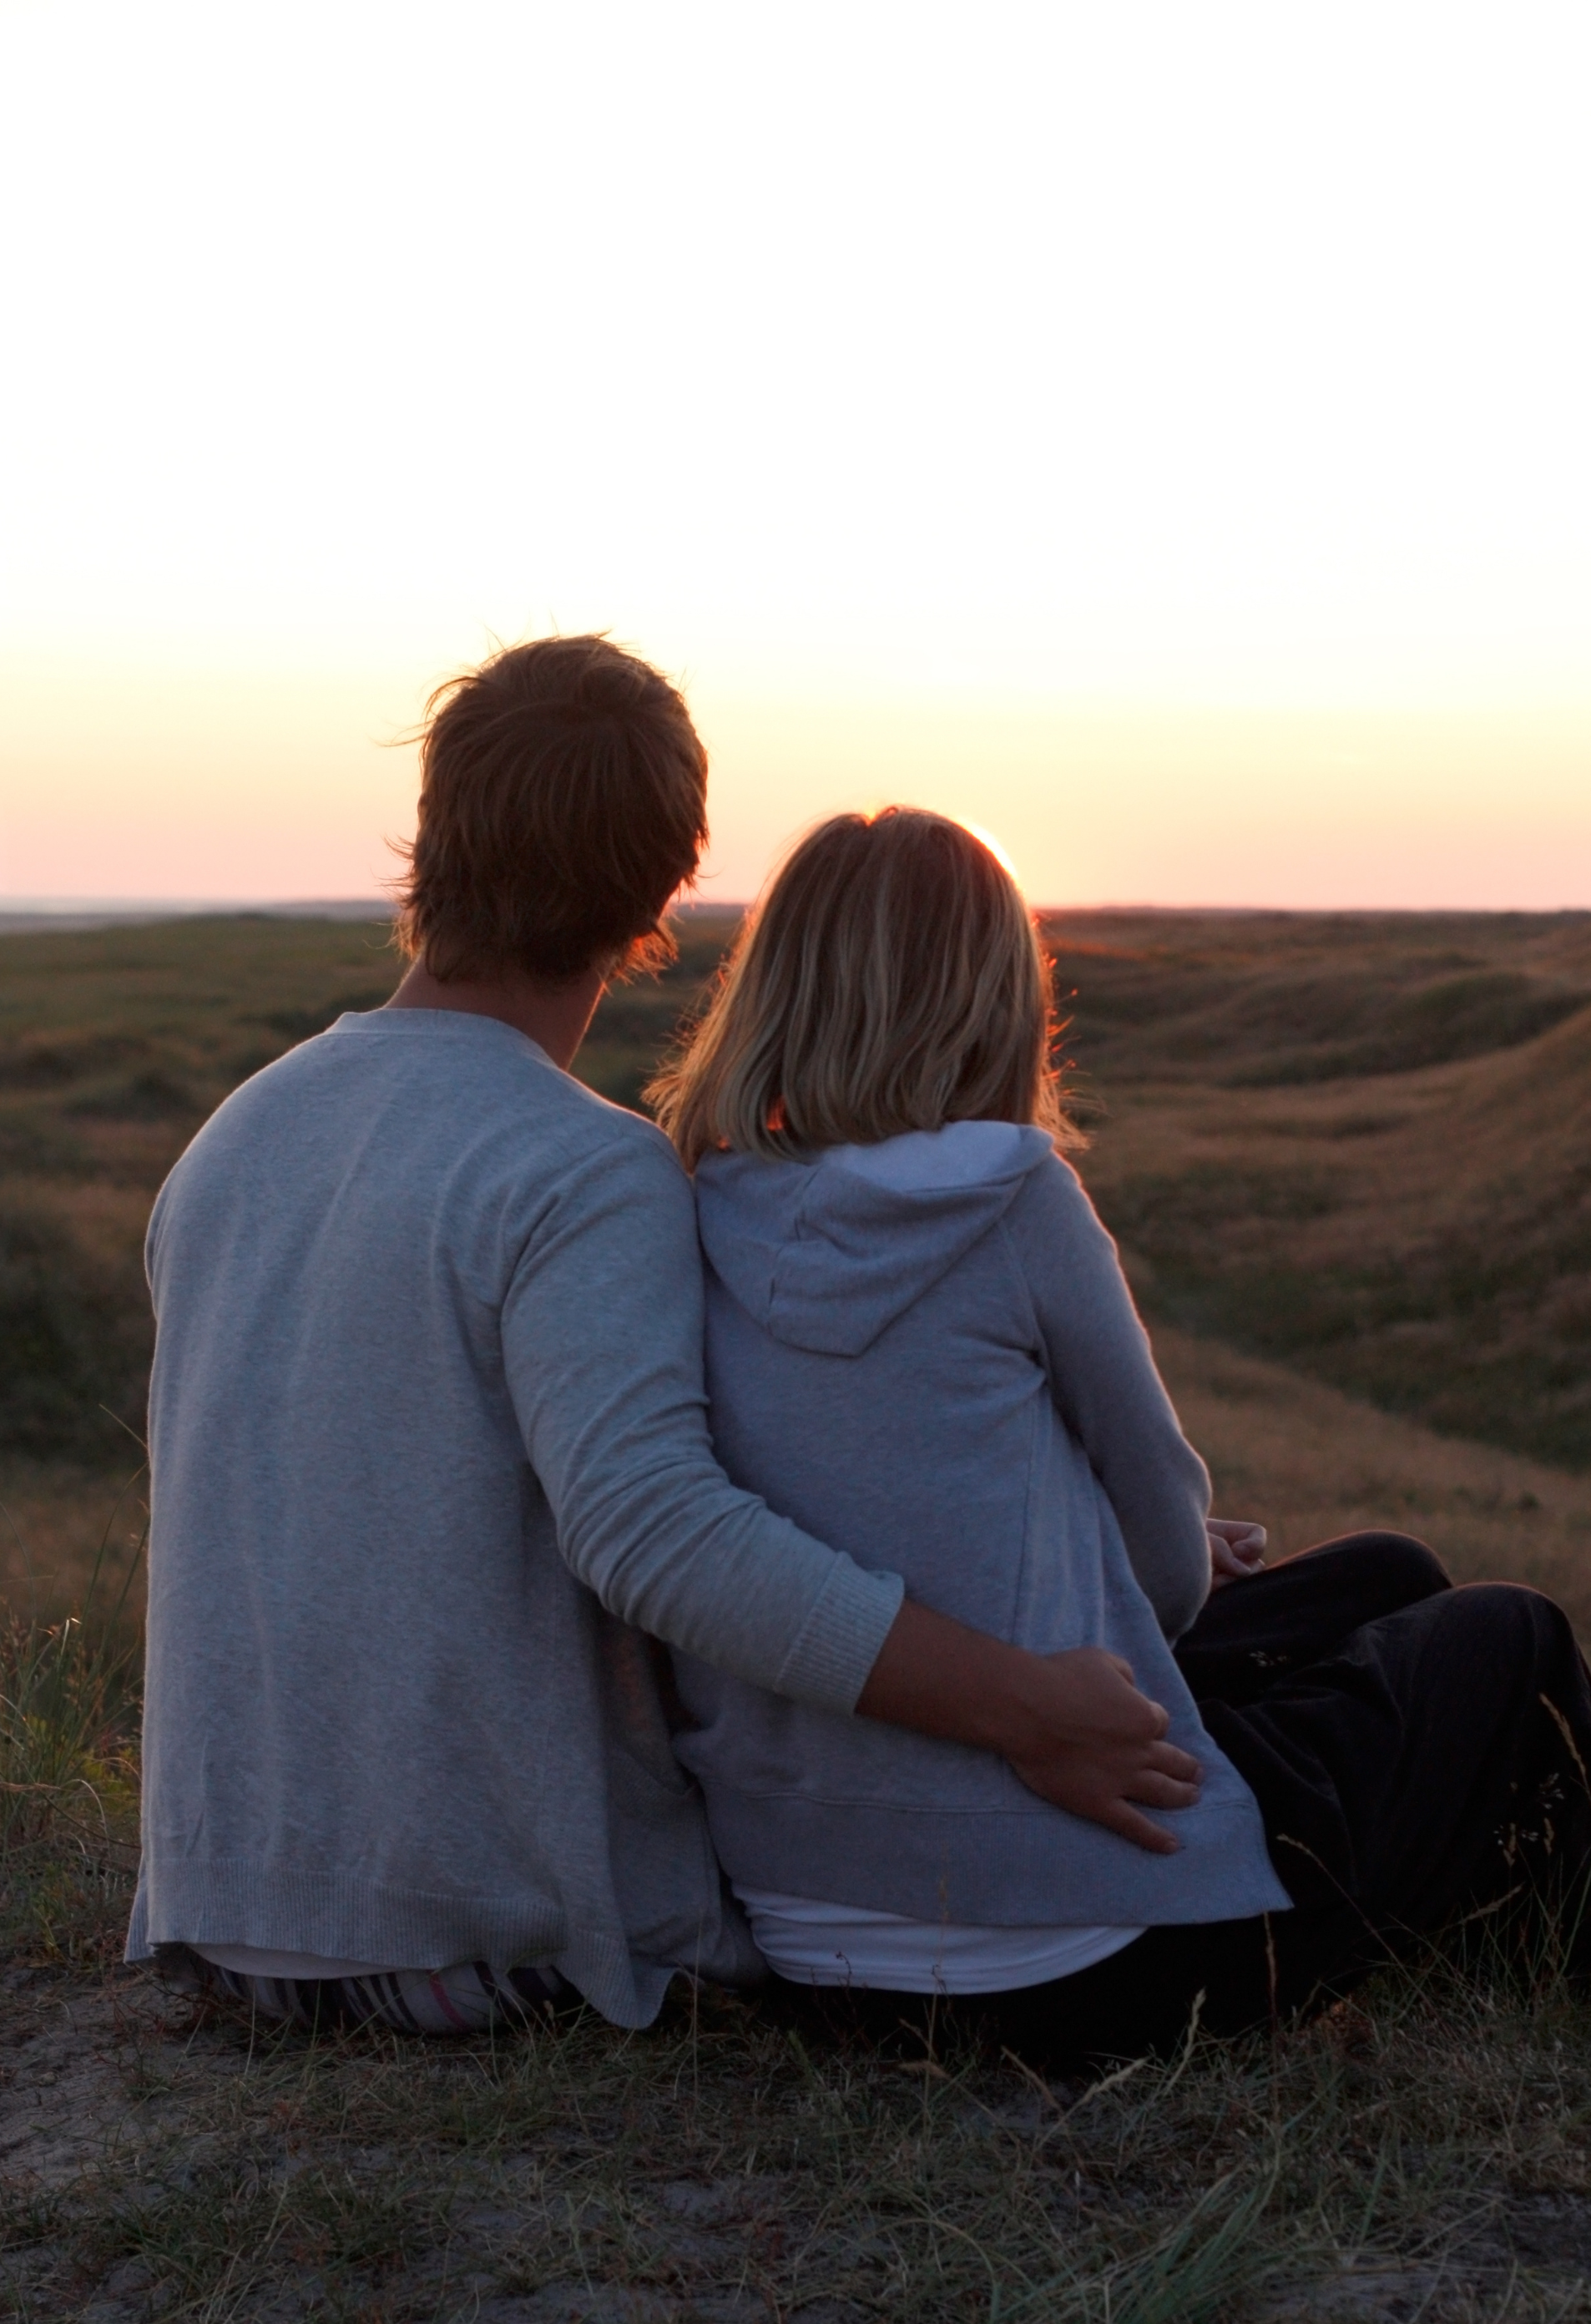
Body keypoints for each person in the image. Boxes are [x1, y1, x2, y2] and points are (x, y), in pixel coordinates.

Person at [129, 640, 1205, 2039]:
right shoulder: (583, 1168)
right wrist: (1021, 1705)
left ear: (432, 837)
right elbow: (654, 1531)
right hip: (477, 1932)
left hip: (224, 1916)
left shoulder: (234, 1139)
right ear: (660, 894)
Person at [649, 806, 1591, 2071]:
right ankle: (1563, 1975)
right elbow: (1166, 1568)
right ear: (995, 999)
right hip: (1077, 1956)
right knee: (1512, 1639)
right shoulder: (1008, 1193)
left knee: (1385, 1577)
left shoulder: (699, 1202)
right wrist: (1138, 1548)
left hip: (811, 1940)